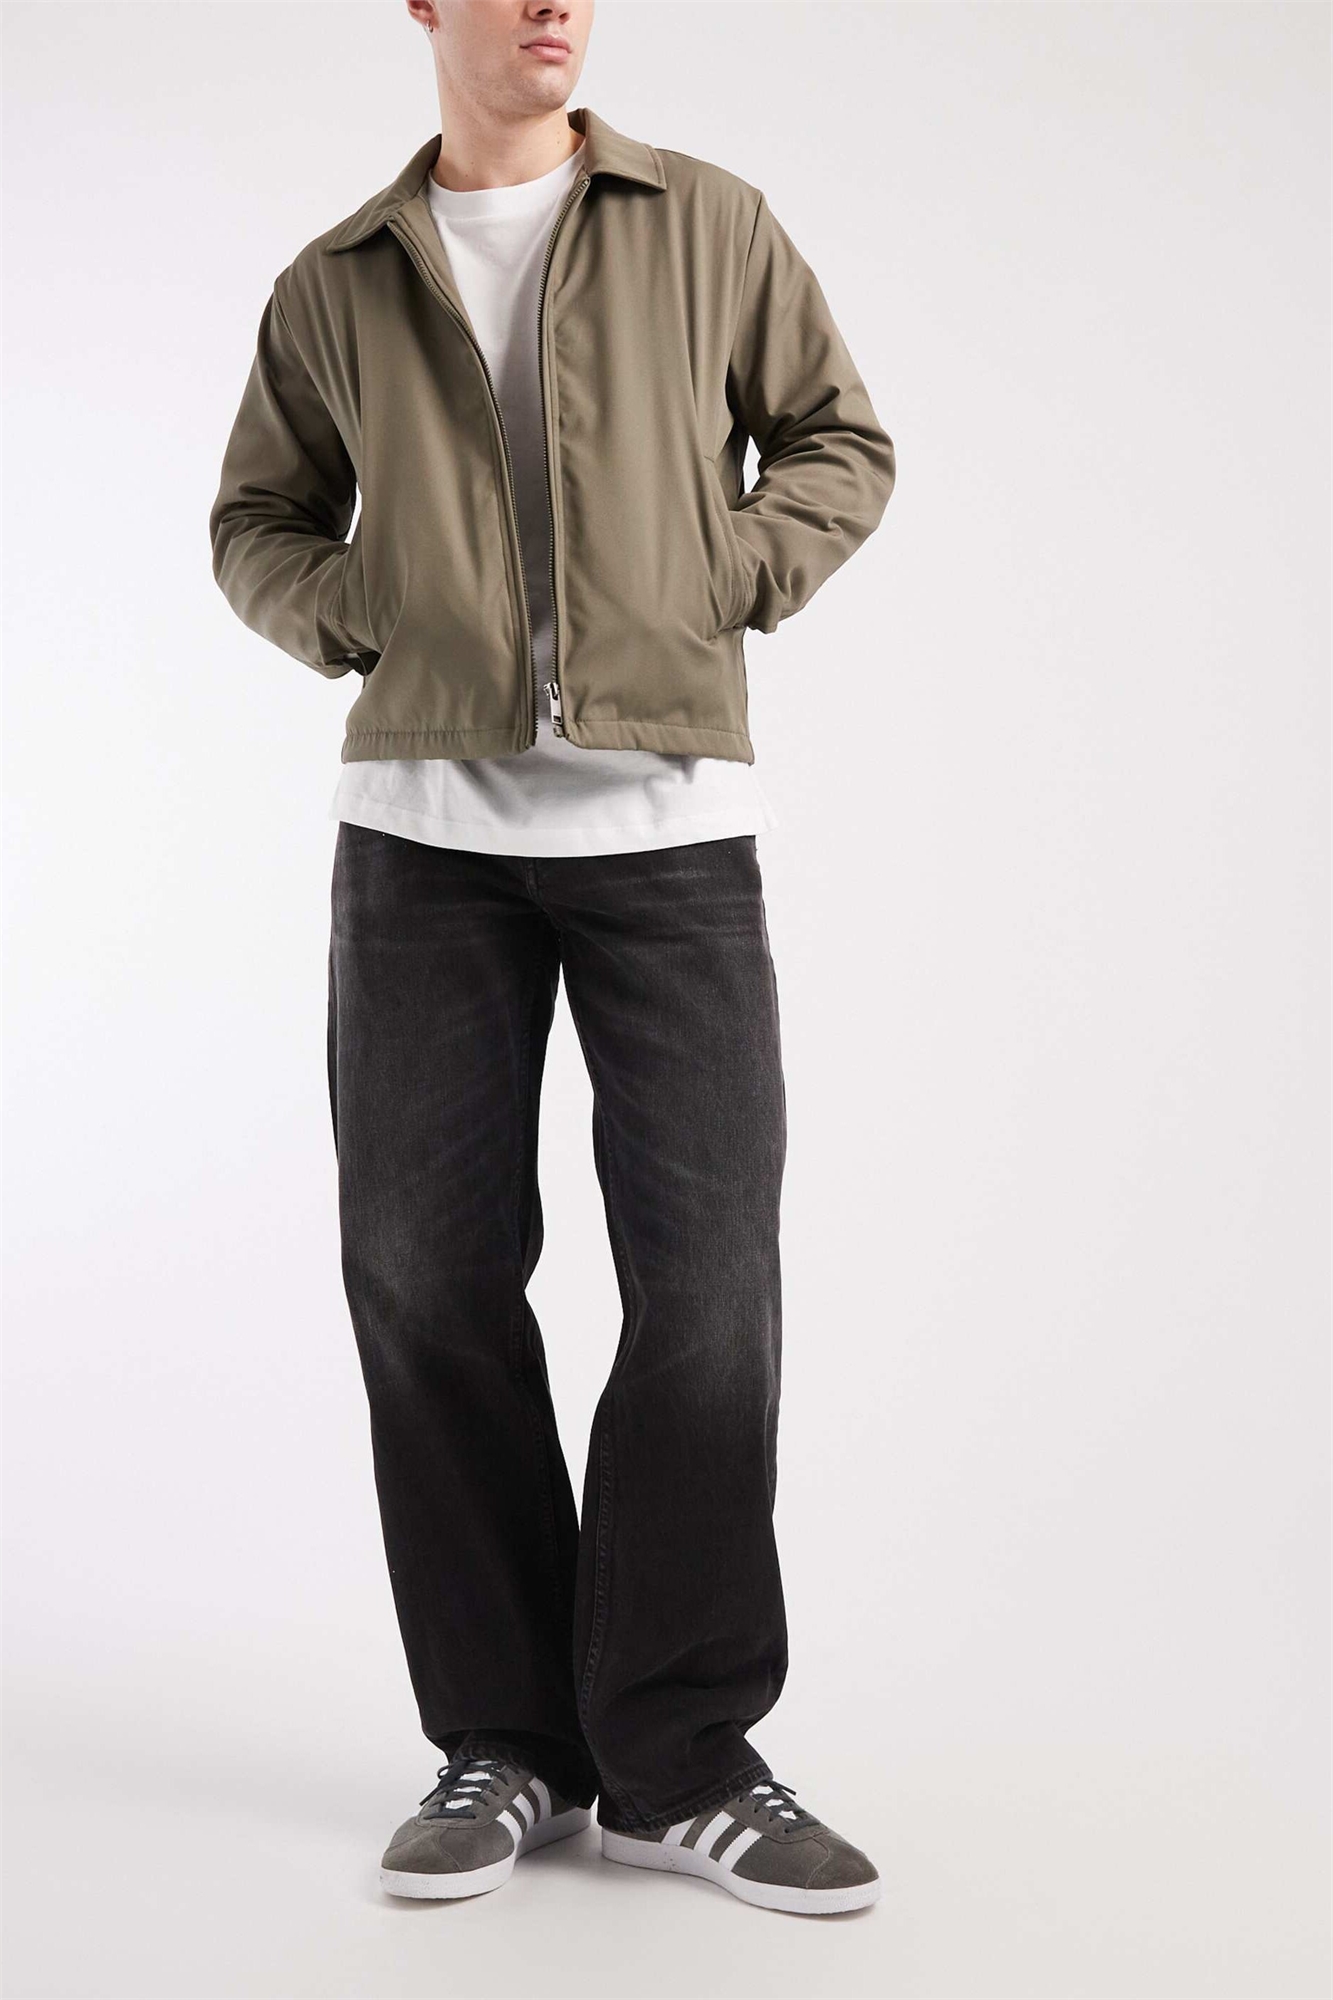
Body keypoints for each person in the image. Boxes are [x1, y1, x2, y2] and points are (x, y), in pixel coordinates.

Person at [210, 0, 894, 1917]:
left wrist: (715, 577)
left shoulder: (707, 220)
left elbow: (837, 442)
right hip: (421, 844)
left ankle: (678, 1757)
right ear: (421, 8)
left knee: (709, 1301)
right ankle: (506, 1742)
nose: (553, 3)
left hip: (667, 837)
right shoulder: (340, 277)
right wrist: (361, 610)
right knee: (425, 1284)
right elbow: (255, 518)